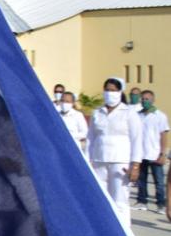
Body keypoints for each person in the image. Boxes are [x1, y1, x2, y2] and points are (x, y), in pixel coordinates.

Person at [87, 77, 143, 227]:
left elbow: (137, 140)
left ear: (120, 92)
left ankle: (124, 234)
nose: (109, 93)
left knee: (120, 200)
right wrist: (88, 161)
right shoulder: (97, 112)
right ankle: (104, 230)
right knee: (100, 199)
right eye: (107, 90)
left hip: (120, 162)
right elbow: (91, 139)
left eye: (113, 90)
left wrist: (135, 165)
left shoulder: (129, 113)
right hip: (99, 160)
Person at [135, 90, 168, 211]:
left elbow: (164, 135)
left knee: (158, 182)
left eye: (147, 99)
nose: (144, 101)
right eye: (143, 99)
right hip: (140, 154)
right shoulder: (137, 115)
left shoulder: (160, 116)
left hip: (155, 154)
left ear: (153, 100)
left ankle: (161, 204)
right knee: (141, 180)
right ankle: (142, 202)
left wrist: (163, 154)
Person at [57, 91, 88, 155]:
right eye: (62, 100)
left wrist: (70, 135)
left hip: (73, 147)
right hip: (58, 147)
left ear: (73, 103)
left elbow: (84, 132)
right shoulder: (56, 114)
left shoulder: (77, 115)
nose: (64, 103)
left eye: (67, 101)